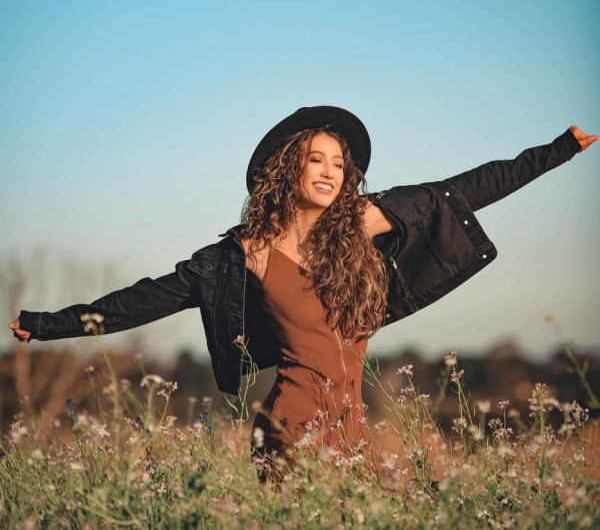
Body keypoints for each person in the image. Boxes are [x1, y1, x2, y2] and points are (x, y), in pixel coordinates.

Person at [8, 106, 597, 484]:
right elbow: (145, 299)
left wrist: (558, 150)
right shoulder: (246, 254)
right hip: (292, 423)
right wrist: (48, 323)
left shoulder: (364, 222)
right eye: (315, 159)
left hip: (356, 426)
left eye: (338, 163)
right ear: (287, 169)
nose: (329, 171)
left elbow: (466, 188)